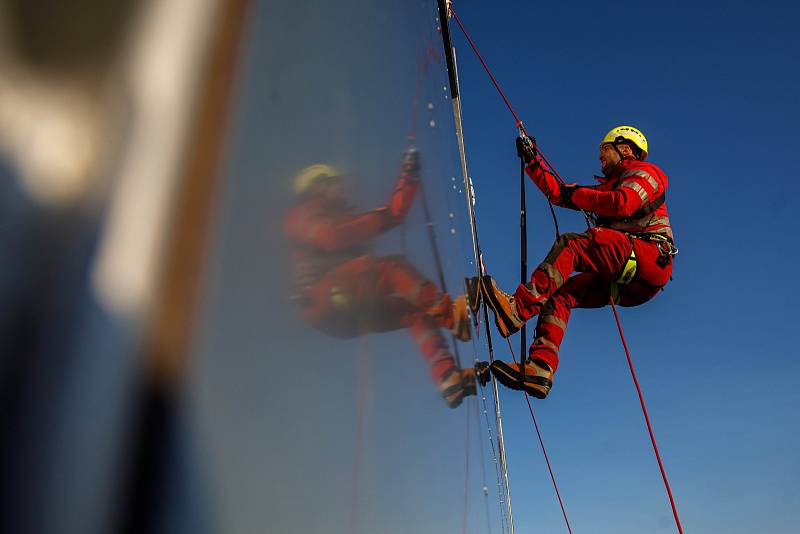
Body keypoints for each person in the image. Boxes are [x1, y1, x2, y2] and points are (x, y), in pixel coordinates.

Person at [479, 126, 677, 399]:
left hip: (649, 257)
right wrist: (533, 161)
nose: (599, 158)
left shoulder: (646, 173)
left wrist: (579, 195)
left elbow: (623, 203)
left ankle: (517, 309)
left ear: (626, 149)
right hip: (633, 283)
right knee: (560, 294)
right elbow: (560, 194)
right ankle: (540, 367)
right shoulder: (608, 187)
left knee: (573, 244)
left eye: (604, 150)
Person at [284, 150, 483, 407]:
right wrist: (371, 223)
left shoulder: (336, 216)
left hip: (339, 311)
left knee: (415, 311)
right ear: (317, 186)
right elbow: (329, 237)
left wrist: (408, 176)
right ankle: (453, 316)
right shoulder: (306, 212)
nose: (340, 189)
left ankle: (447, 376)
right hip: (324, 294)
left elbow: (393, 214)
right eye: (333, 184)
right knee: (390, 269)